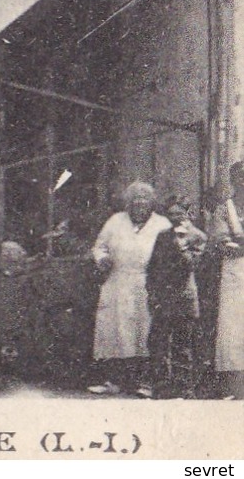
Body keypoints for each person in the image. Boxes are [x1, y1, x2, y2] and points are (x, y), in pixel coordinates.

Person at [88, 181, 170, 397]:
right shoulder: (115, 221)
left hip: (147, 283)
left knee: (144, 332)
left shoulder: (161, 224)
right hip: (117, 281)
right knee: (115, 331)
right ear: (128, 203)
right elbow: (99, 246)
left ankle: (145, 383)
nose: (139, 204)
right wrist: (102, 258)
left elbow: (172, 255)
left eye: (144, 199)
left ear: (151, 203)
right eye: (135, 199)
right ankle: (114, 381)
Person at [146, 198, 205, 399]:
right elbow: (152, 267)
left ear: (188, 214)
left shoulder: (198, 237)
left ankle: (183, 388)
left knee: (182, 345)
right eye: (170, 215)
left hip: (184, 298)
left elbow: (193, 266)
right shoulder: (162, 236)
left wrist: (181, 246)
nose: (174, 219)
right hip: (163, 297)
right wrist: (152, 293)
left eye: (179, 214)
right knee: (157, 343)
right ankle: (161, 387)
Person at [212, 161, 244, 398]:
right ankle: (234, 385)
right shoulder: (225, 209)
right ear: (233, 181)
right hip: (234, 273)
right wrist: (232, 244)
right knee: (233, 326)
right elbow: (222, 242)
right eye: (239, 177)